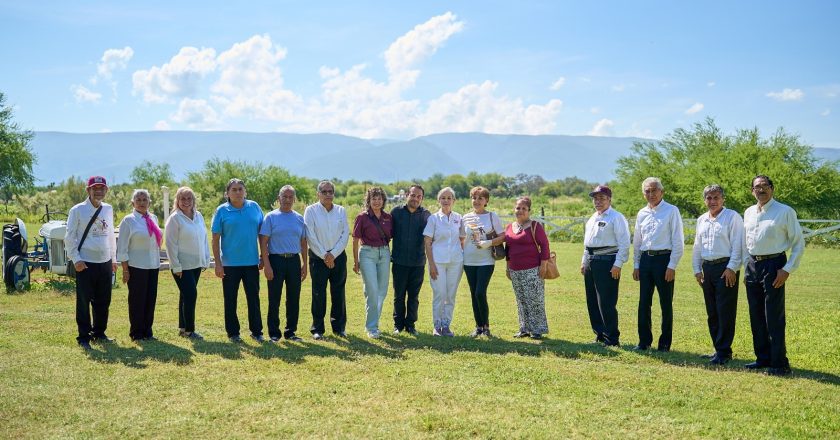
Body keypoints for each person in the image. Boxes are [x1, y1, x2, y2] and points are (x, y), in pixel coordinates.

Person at [743, 175, 805, 376]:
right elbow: (746, 242)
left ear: (772, 188)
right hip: (753, 265)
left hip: (774, 265)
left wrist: (787, 269)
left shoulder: (785, 211)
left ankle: (779, 363)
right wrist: (746, 266)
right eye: (757, 187)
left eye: (765, 186)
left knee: (773, 316)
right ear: (752, 190)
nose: (761, 190)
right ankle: (763, 358)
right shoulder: (749, 212)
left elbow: (798, 243)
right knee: (756, 315)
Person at [481, 197, 551, 339]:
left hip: (533, 269)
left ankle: (537, 329)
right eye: (518, 208)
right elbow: (508, 249)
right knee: (521, 300)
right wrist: (508, 267)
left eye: (524, 208)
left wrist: (543, 265)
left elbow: (544, 246)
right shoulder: (509, 227)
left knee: (535, 299)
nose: (520, 211)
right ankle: (524, 328)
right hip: (514, 269)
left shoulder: (535, 226)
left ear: (529, 211)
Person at [691, 184, 743, 365]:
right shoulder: (702, 220)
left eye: (716, 197)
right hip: (707, 269)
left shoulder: (732, 217)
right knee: (712, 311)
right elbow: (697, 246)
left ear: (723, 199)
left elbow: (738, 244)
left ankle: (724, 351)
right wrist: (697, 269)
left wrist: (732, 268)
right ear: (705, 200)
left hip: (725, 268)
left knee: (725, 310)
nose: (712, 201)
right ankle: (717, 348)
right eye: (709, 198)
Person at [64, 176, 117, 350]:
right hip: (85, 262)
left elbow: (110, 236)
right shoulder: (77, 210)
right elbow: (69, 237)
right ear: (88, 190)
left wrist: (113, 259)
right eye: (95, 188)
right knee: (84, 301)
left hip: (105, 262)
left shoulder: (108, 209)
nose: (99, 191)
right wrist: (76, 259)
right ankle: (83, 337)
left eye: (102, 188)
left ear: (106, 190)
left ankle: (99, 333)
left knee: (103, 300)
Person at [632, 177, 684, 352]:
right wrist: (636, 265)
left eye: (654, 190)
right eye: (647, 191)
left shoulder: (671, 211)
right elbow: (637, 242)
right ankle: (644, 341)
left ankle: (664, 343)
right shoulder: (641, 213)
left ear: (662, 192)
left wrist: (672, 266)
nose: (651, 194)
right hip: (646, 260)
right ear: (643, 193)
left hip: (664, 260)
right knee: (644, 302)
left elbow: (678, 240)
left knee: (665, 303)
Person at [211, 178, 265, 343]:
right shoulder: (222, 211)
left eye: (240, 189)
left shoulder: (254, 207)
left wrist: (263, 256)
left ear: (245, 191)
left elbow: (263, 235)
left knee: (253, 298)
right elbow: (215, 239)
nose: (237, 192)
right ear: (227, 193)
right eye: (233, 189)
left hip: (251, 263)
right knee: (230, 299)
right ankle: (233, 333)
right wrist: (218, 264)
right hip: (229, 264)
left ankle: (257, 332)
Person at [580, 185, 630, 347]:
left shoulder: (616, 217)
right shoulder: (592, 218)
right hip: (591, 260)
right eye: (595, 198)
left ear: (609, 199)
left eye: (602, 198)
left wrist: (618, 264)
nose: (598, 201)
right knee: (592, 300)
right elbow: (588, 243)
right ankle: (599, 334)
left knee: (606, 302)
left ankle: (612, 338)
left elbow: (624, 243)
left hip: (607, 261)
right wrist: (584, 261)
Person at [259, 185, 308, 343]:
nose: (287, 200)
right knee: (275, 298)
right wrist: (267, 265)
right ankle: (274, 333)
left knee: (294, 298)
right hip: (276, 260)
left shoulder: (299, 218)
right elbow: (263, 242)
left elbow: (303, 243)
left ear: (294, 199)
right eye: (284, 197)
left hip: (294, 261)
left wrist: (304, 264)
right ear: (278, 198)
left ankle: (290, 332)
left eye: (290, 197)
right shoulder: (271, 217)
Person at [304, 180, 350, 340]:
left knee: (338, 292)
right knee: (318, 293)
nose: (328, 194)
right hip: (318, 258)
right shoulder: (311, 211)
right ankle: (317, 328)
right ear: (318, 194)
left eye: (331, 192)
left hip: (338, 257)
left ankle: (339, 328)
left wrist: (333, 254)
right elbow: (310, 235)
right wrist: (325, 255)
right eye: (324, 192)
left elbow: (345, 234)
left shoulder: (341, 210)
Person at [164, 186, 210, 340]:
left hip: (196, 264)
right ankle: (190, 331)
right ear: (177, 200)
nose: (186, 201)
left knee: (185, 295)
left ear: (193, 200)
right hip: (181, 266)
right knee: (191, 294)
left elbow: (203, 239)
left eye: (189, 198)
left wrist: (205, 259)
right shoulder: (174, 218)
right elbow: (170, 244)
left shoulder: (199, 216)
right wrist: (175, 265)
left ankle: (183, 329)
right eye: (182, 198)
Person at [117, 189, 162, 342]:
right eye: (139, 200)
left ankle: (147, 331)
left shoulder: (154, 218)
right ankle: (136, 333)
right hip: (136, 266)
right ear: (133, 203)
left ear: (149, 202)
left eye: (145, 199)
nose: (142, 202)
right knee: (137, 300)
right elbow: (122, 247)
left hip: (153, 265)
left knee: (150, 299)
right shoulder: (128, 220)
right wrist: (125, 269)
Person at [462, 186, 505, 338]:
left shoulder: (492, 216)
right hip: (468, 261)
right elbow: (462, 239)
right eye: (474, 197)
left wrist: (488, 243)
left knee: (480, 292)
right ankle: (478, 327)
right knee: (474, 293)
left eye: (480, 198)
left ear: (486, 200)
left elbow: (503, 236)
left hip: (486, 261)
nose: (476, 201)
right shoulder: (465, 217)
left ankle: (486, 326)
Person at [423, 187, 465, 336]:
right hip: (438, 262)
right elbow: (427, 242)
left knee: (450, 294)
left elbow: (462, 238)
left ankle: (446, 325)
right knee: (439, 293)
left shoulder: (459, 218)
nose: (446, 201)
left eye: (449, 198)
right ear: (439, 200)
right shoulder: (433, 219)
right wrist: (431, 265)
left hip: (455, 262)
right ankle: (437, 325)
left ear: (454, 200)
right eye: (443, 198)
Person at [352, 187, 393, 338]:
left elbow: (393, 236)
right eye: (373, 199)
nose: (376, 201)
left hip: (384, 254)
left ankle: (373, 321)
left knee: (382, 291)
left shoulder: (388, 217)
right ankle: (372, 327)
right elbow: (355, 240)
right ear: (368, 201)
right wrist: (356, 262)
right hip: (367, 254)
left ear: (383, 201)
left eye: (379, 198)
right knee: (373, 290)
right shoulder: (362, 217)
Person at [390, 184, 430, 335]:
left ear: (422, 198)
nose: (415, 198)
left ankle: (411, 325)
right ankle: (398, 325)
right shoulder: (396, 212)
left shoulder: (426, 215)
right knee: (398, 295)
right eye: (413, 195)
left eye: (419, 196)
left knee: (414, 296)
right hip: (399, 262)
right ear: (407, 195)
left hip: (418, 262)